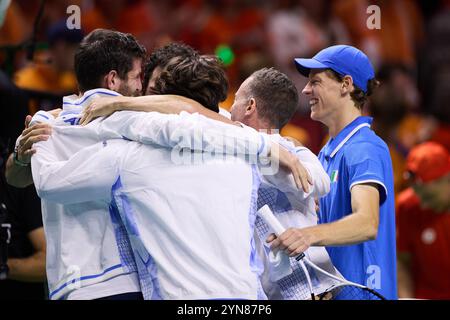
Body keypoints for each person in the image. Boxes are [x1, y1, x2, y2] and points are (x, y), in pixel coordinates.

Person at [30, 53, 308, 300]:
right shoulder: (247, 151)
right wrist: (271, 149)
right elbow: (313, 182)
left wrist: (46, 126)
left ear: (157, 100)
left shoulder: (125, 158)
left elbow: (50, 183)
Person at [269, 45, 397, 299]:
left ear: (346, 84)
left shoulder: (365, 148)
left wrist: (305, 236)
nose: (306, 90)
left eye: (315, 81)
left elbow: (366, 223)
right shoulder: (327, 153)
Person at [228, 67, 338, 299]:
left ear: (250, 106)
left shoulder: (293, 151)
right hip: (264, 291)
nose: (230, 109)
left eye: (236, 99)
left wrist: (272, 152)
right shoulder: (238, 147)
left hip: (310, 288)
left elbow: (320, 184)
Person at [396, 142, 450, 299]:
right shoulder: (407, 206)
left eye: (428, 196)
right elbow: (402, 261)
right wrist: (406, 298)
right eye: (418, 195)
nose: (423, 204)